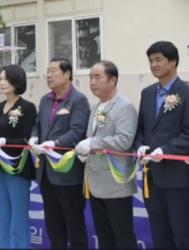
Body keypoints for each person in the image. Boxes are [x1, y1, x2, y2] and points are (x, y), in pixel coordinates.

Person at [133, 41, 189, 249]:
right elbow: (141, 129)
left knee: (183, 237)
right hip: (152, 176)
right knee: (160, 235)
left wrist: (165, 150)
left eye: (158, 60)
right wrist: (140, 146)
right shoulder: (147, 93)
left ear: (172, 62)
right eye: (150, 61)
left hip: (178, 178)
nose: (153, 65)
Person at [75, 60, 138, 249]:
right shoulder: (95, 108)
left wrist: (92, 143)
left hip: (116, 182)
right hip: (96, 181)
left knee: (122, 235)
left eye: (97, 77)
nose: (92, 82)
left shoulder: (124, 106)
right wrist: (86, 153)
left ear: (112, 80)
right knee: (104, 236)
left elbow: (124, 140)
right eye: (90, 77)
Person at [30, 57, 90, 249]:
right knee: (53, 224)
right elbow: (38, 125)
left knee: (74, 224)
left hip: (68, 172)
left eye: (53, 71)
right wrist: (34, 138)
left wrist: (55, 143)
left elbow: (77, 131)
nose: (48, 75)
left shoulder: (78, 100)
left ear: (67, 74)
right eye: (47, 71)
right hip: (46, 172)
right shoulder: (45, 99)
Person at [0, 65, 37, 249]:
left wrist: (5, 140)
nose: (1, 82)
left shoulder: (27, 107)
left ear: (16, 81)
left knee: (19, 213)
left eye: (6, 79)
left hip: (18, 165)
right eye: (0, 79)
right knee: (4, 213)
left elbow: (26, 138)